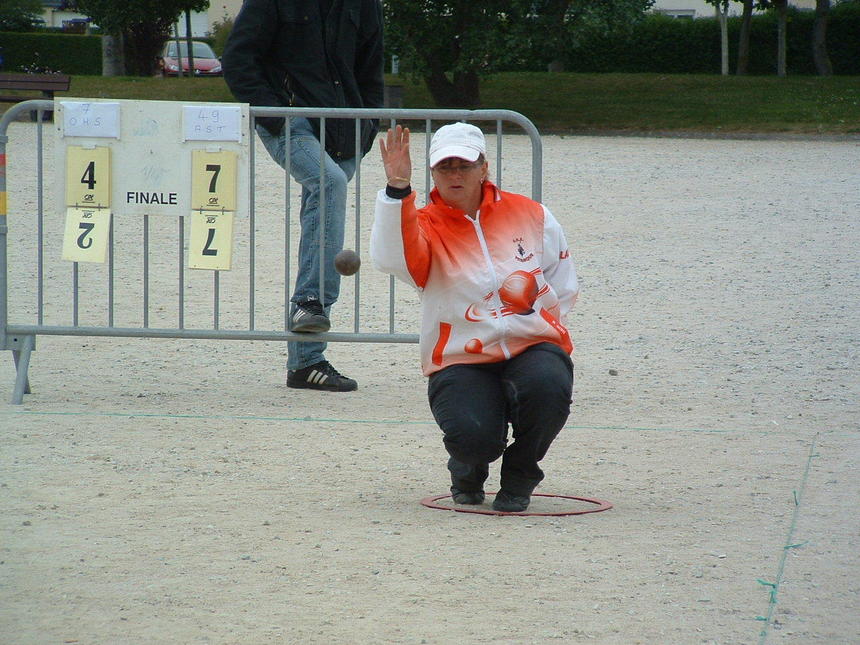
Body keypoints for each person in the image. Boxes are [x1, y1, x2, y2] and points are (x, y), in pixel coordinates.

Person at [371, 123, 579, 512]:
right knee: (475, 436)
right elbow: (389, 258)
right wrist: (397, 190)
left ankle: (520, 475)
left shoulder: (531, 213)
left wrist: (540, 323)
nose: (454, 174)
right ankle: (467, 470)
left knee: (548, 388)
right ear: (431, 173)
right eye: (444, 166)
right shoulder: (423, 224)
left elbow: (561, 280)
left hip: (531, 342)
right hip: (460, 353)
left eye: (464, 165)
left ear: (484, 168)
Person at [222, 0, 385, 392]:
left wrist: (365, 130)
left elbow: (369, 73)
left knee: (321, 219)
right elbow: (238, 58)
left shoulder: (366, 5)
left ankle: (305, 362)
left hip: (345, 128)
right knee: (329, 183)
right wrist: (275, 115)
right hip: (291, 122)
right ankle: (310, 300)